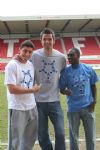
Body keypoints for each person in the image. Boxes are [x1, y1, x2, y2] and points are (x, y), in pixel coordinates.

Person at [31, 28, 66, 150]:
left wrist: (64, 89)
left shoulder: (61, 57)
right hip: (38, 102)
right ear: (40, 41)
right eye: (44, 39)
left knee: (61, 133)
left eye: (49, 39)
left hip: (54, 101)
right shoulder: (34, 55)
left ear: (54, 40)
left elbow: (64, 76)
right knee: (42, 135)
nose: (47, 41)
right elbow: (23, 63)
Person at [59, 47, 98, 150]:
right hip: (73, 109)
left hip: (88, 108)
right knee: (73, 138)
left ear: (78, 56)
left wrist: (94, 102)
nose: (69, 57)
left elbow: (93, 86)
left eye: (71, 55)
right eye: (68, 55)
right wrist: (65, 91)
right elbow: (61, 89)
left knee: (91, 137)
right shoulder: (65, 72)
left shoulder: (88, 68)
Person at [4, 40, 41, 150]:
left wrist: (33, 89)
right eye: (25, 51)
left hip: (32, 106)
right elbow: (12, 89)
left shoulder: (30, 65)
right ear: (19, 50)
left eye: (30, 52)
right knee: (15, 141)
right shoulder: (11, 65)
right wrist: (32, 90)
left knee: (30, 139)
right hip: (17, 108)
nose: (27, 54)